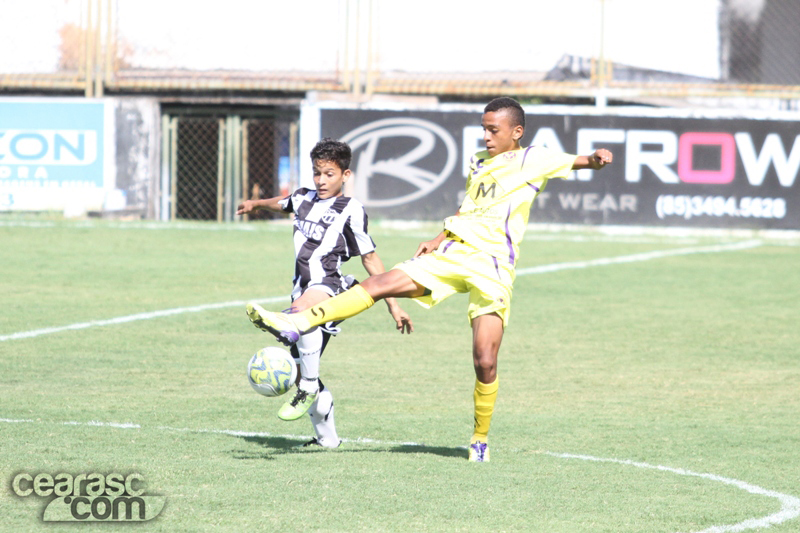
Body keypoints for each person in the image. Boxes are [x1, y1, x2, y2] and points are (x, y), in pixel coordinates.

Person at [246, 97, 613, 461]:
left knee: (485, 360)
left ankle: (480, 439)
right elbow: (470, 207)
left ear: (516, 132)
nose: (485, 135)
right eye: (483, 128)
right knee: (379, 284)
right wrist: (439, 238)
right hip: (453, 253)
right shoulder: (478, 161)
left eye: (493, 130)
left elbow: (584, 162)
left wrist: (597, 159)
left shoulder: (534, 158)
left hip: (493, 267)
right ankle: (296, 322)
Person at [237, 138, 413, 448]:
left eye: (329, 174)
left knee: (301, 318)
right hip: (302, 289)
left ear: (345, 175)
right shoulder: (304, 198)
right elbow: (282, 202)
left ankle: (300, 368)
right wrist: (255, 204)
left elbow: (370, 258)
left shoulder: (351, 209)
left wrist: (394, 307)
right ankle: (327, 438)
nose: (321, 180)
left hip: (332, 285)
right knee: (298, 367)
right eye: (317, 173)